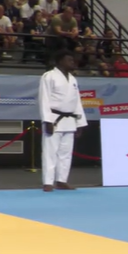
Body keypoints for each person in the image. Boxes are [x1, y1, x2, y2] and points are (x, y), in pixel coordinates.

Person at [38, 50, 86, 192]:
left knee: (66, 153)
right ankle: (48, 182)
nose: (72, 62)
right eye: (69, 60)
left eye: (72, 60)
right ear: (60, 61)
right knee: (50, 152)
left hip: (70, 120)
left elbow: (77, 102)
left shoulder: (73, 79)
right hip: (54, 119)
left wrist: (80, 123)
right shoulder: (49, 76)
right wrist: (47, 120)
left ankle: (61, 180)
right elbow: (44, 99)